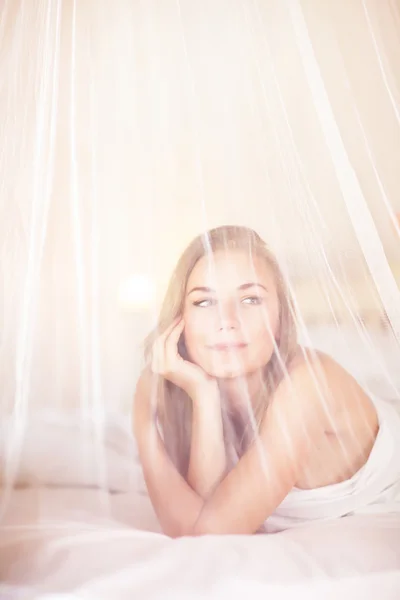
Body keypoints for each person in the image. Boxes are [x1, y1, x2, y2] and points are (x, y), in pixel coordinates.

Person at [133, 225, 400, 537]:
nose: (226, 321)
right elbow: (202, 515)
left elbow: (207, 533)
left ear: (280, 318)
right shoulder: (168, 384)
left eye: (250, 300)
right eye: (204, 302)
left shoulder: (307, 386)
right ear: (181, 317)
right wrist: (204, 397)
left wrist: (147, 424)